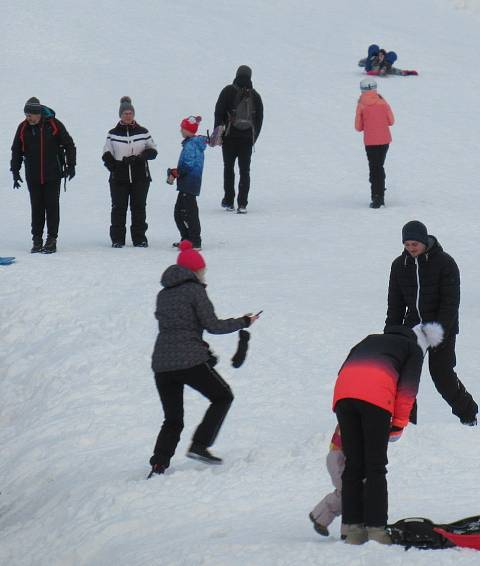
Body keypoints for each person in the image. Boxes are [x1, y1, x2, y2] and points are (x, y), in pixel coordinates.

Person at [148, 241, 259, 477]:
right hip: (188, 360)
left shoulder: (163, 294)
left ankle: (159, 464)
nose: (204, 274)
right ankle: (200, 445)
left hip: (161, 364)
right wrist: (244, 321)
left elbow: (178, 327)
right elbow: (213, 325)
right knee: (223, 396)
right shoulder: (195, 290)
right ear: (194, 271)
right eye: (202, 270)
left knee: (173, 418)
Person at [332, 322, 442, 545]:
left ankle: (352, 530)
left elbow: (344, 369)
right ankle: (376, 530)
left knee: (353, 464)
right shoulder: (413, 350)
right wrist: (399, 424)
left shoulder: (369, 339)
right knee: (375, 466)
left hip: (343, 396)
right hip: (376, 399)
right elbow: (407, 390)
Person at [386, 220, 479, 425]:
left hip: (441, 327)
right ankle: (407, 422)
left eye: (414, 244)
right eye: (407, 244)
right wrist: (391, 333)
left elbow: (450, 302)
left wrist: (439, 330)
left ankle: (468, 414)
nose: (411, 249)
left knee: (442, 374)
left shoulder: (445, 263)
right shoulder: (399, 266)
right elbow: (395, 303)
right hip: (412, 328)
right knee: (404, 376)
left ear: (424, 241)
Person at [10, 97, 76, 254]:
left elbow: (69, 145)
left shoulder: (54, 125)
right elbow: (16, 150)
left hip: (53, 174)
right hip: (32, 175)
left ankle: (52, 239)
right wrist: (15, 171)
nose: (28, 118)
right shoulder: (22, 128)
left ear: (38, 113)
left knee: (52, 207)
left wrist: (71, 165)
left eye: (30, 115)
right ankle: (37, 240)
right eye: (26, 115)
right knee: (37, 208)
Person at [101, 97, 158, 248]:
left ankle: (139, 238)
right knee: (119, 208)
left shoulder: (143, 132)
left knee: (139, 207)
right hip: (119, 178)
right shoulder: (112, 133)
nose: (128, 116)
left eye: (130, 113)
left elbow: (153, 150)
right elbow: (106, 153)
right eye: (125, 113)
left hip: (140, 176)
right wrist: (115, 166)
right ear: (120, 115)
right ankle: (117, 239)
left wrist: (140, 158)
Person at [213, 65, 264, 213]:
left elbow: (218, 112)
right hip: (247, 140)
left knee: (228, 169)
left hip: (229, 138)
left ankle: (229, 201)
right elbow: (259, 119)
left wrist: (218, 134)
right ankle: (242, 204)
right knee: (245, 171)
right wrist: (253, 138)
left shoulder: (228, 91)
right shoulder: (255, 95)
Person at [168, 116, 207, 249]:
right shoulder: (192, 143)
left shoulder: (191, 144)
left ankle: (195, 240)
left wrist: (176, 172)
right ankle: (186, 239)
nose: (181, 131)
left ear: (188, 130)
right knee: (179, 212)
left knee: (188, 213)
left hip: (189, 182)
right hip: (188, 182)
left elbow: (188, 164)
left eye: (182, 128)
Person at [355, 77, 395, 208]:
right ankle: (380, 193)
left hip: (370, 141)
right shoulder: (383, 102)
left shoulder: (361, 104)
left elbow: (358, 127)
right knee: (380, 166)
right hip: (384, 140)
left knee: (374, 168)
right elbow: (391, 121)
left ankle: (376, 196)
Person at [308, 425, 345, 538]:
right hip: (338, 459)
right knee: (347, 494)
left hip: (341, 458)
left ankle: (319, 518)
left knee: (347, 496)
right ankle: (347, 532)